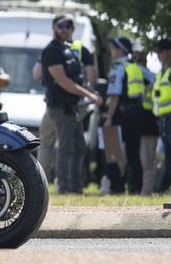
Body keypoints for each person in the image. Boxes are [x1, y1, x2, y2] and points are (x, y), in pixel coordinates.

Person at [41, 14, 102, 194]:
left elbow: (78, 78)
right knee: (66, 147)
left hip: (73, 106)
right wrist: (89, 95)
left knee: (79, 146)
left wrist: (88, 92)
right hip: (60, 107)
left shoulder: (68, 50)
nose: (67, 29)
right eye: (62, 25)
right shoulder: (51, 51)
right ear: (54, 28)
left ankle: (76, 187)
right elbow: (63, 82)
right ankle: (65, 187)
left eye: (70, 26)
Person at [104, 37, 155, 194]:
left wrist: (109, 118)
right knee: (134, 153)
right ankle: (135, 187)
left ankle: (116, 187)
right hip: (137, 114)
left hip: (121, 114)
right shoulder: (137, 67)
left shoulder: (118, 68)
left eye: (114, 48)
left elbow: (114, 96)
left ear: (120, 50)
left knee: (112, 150)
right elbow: (154, 79)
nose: (113, 51)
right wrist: (142, 93)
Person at [133, 49, 159, 195]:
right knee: (146, 160)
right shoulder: (141, 72)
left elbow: (155, 83)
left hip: (148, 121)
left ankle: (147, 190)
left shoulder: (142, 72)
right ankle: (146, 190)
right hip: (144, 121)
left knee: (147, 160)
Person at [154, 38, 171, 193]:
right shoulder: (162, 73)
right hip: (163, 119)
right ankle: (163, 187)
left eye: (160, 51)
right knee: (167, 153)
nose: (158, 55)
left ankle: (162, 188)